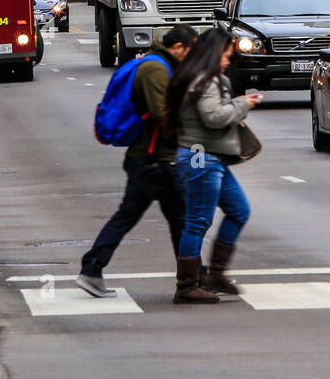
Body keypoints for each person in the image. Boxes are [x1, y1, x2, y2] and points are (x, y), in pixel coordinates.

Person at [76, 25, 198, 298]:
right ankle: (191, 281)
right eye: (190, 52)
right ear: (178, 48)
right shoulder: (155, 69)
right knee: (181, 220)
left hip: (148, 159)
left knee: (137, 216)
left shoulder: (158, 65)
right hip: (155, 160)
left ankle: (92, 269)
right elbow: (161, 114)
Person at [162, 26, 262, 305]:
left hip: (209, 157)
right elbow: (214, 117)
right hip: (201, 159)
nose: (229, 61)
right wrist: (243, 106)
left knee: (238, 210)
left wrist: (238, 102)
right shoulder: (205, 80)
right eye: (226, 56)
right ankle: (187, 286)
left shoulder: (200, 78)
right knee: (197, 223)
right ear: (214, 53)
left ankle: (215, 274)